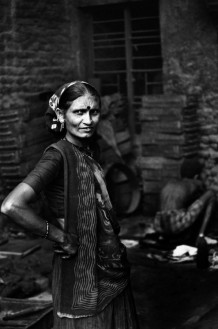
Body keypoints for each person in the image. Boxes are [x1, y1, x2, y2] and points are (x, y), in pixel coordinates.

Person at [1, 81, 139, 329]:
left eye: (93, 112)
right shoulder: (58, 155)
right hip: (80, 268)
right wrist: (59, 236)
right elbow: (12, 205)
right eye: (78, 112)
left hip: (109, 264)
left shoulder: (88, 149)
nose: (88, 120)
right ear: (62, 115)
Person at [153, 157, 216, 242]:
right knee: (210, 194)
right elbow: (205, 194)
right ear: (196, 176)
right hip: (175, 225)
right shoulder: (193, 183)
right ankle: (201, 236)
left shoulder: (171, 183)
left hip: (159, 225)